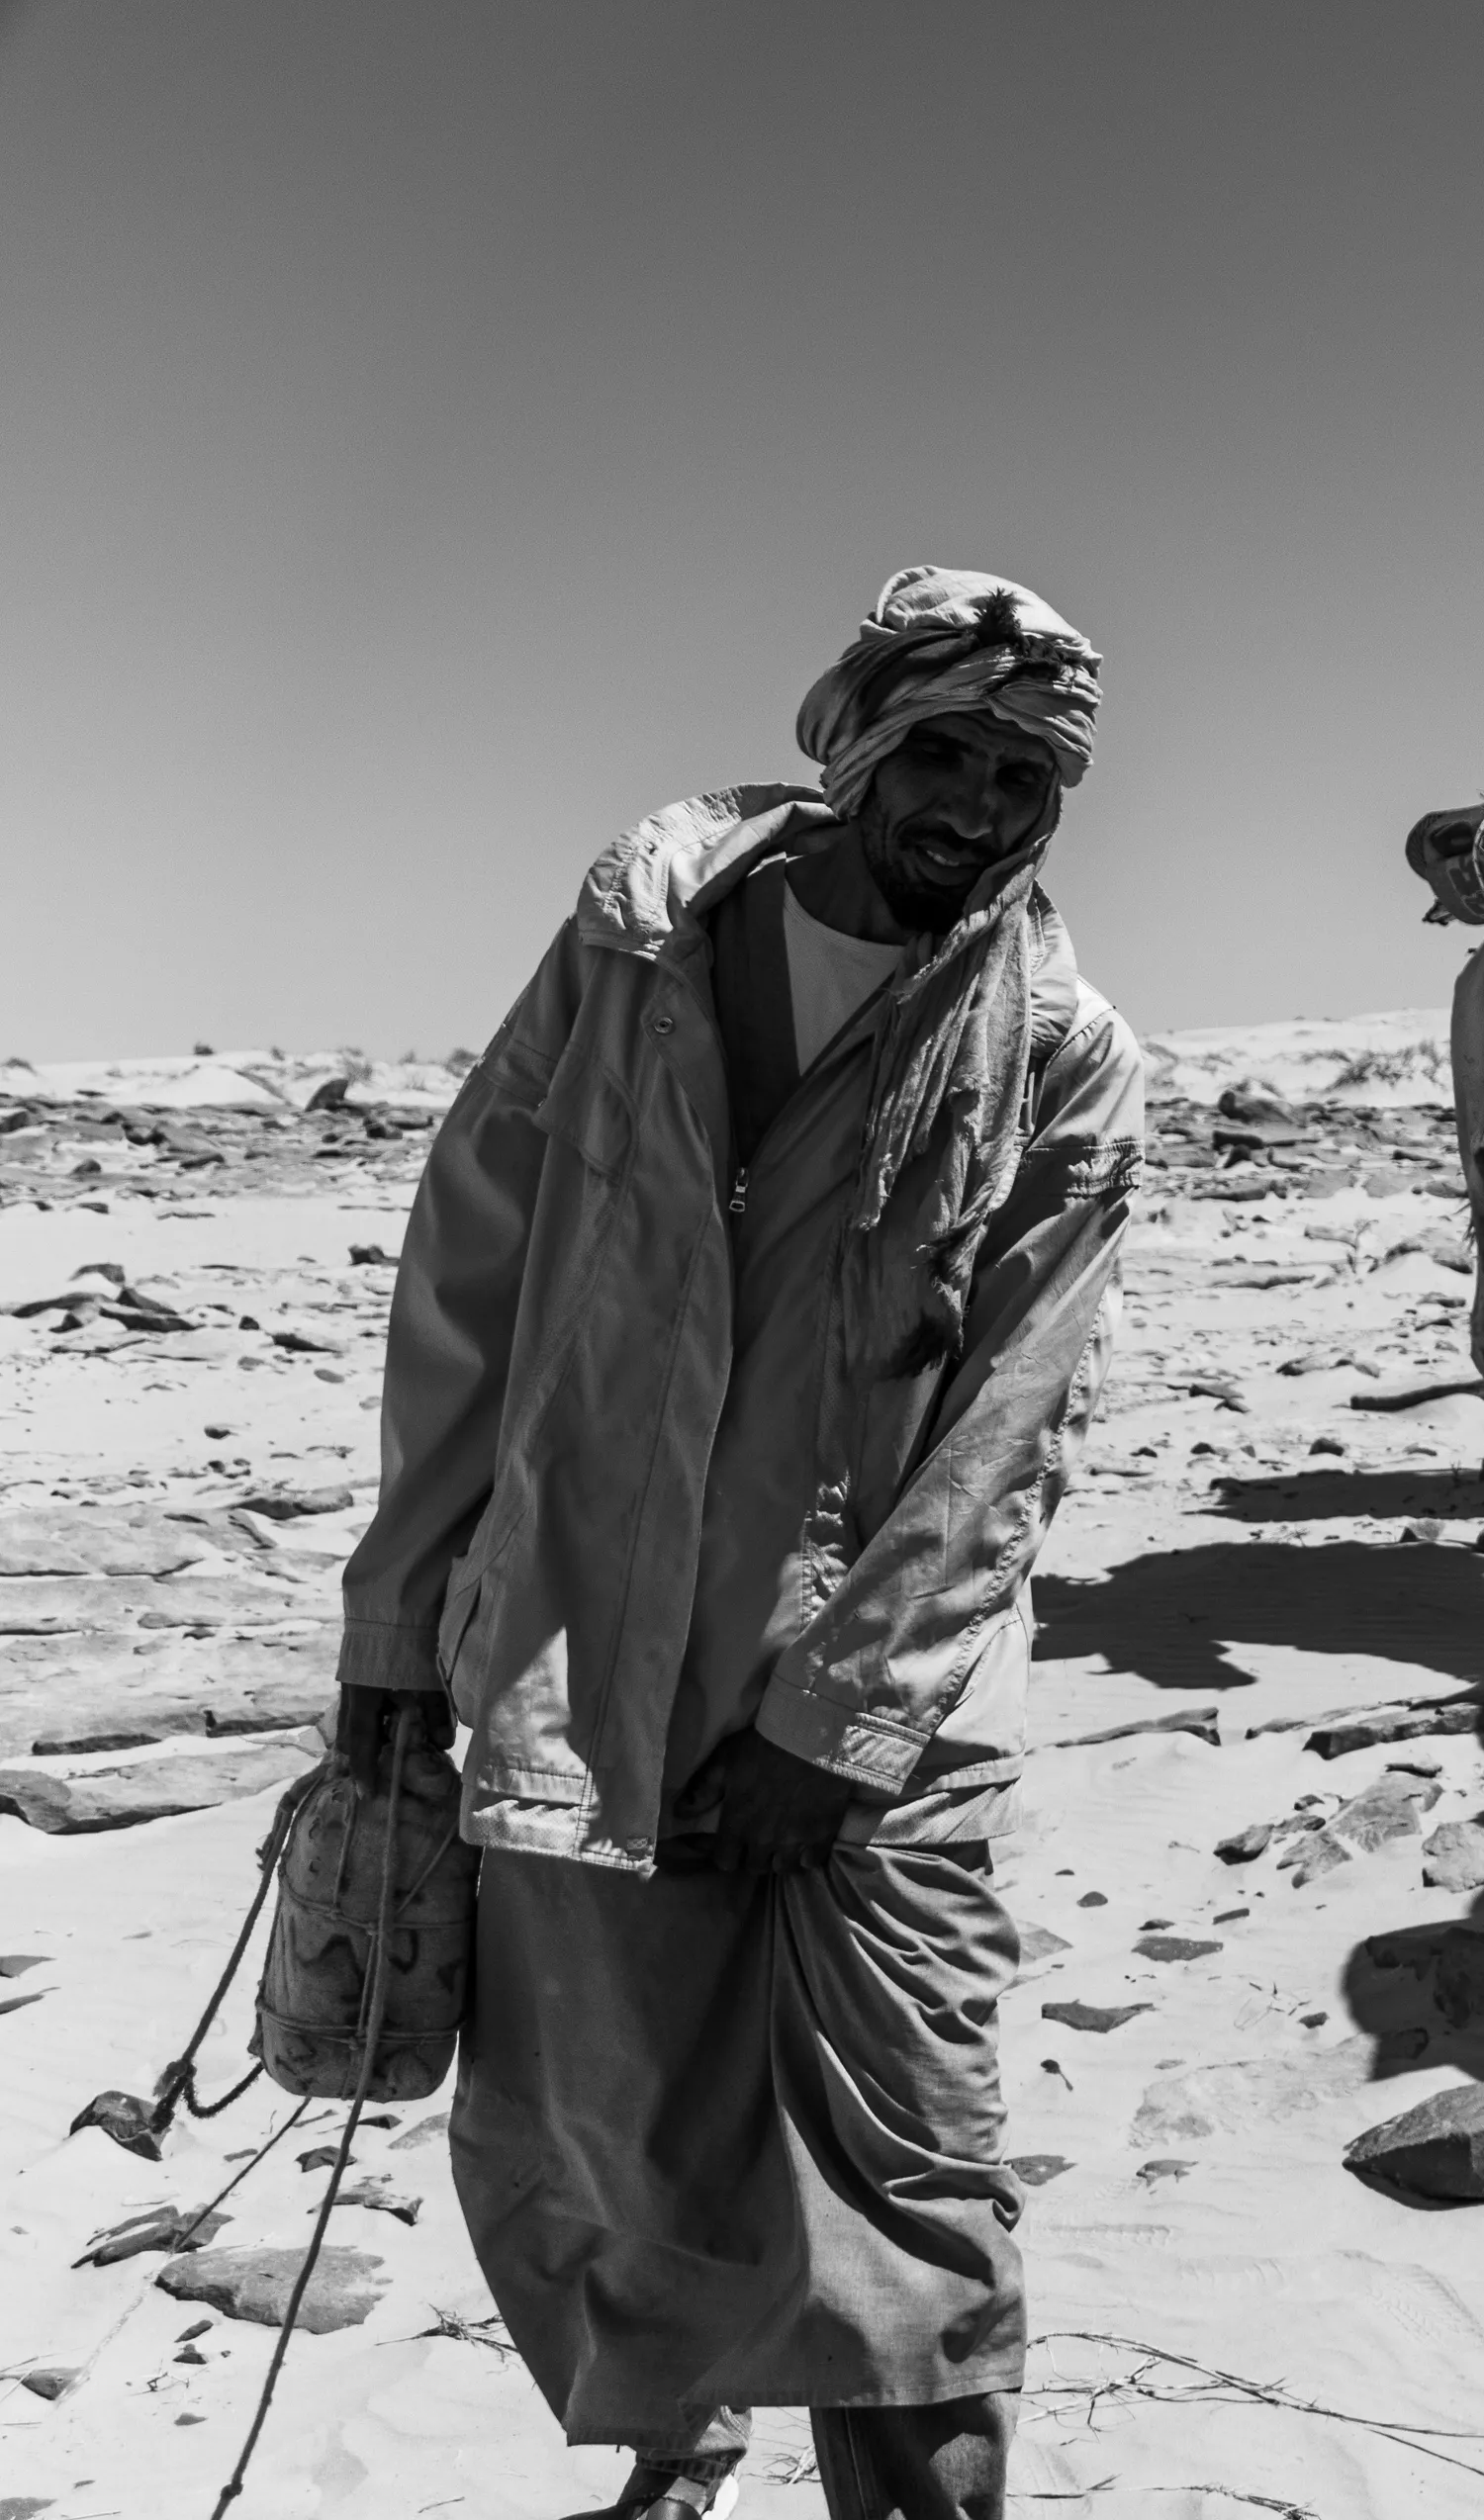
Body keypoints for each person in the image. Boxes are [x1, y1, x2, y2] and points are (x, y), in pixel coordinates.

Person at [331, 568, 1147, 2520]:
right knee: (613, 2125)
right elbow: (476, 1266)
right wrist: (394, 1620)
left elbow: (1009, 1430)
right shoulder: (636, 946)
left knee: (911, 2194)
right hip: (573, 1652)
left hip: (876, 1741)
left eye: (1023, 770)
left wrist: (837, 1725)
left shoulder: (1065, 1053)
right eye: (939, 747)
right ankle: (676, 2462)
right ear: (855, 738)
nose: (972, 800)